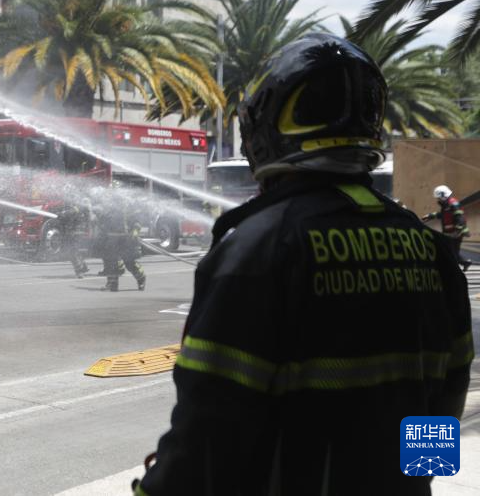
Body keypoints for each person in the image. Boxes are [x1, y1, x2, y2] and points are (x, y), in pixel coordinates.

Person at [137, 34, 472, 495]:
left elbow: (209, 424)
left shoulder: (259, 247)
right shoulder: (430, 249)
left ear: (267, 131)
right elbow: (447, 395)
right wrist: (410, 483)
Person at [423, 185, 471, 269]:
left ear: (443, 195)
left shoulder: (453, 203)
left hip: (455, 233)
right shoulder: (447, 205)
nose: (438, 200)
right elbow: (443, 214)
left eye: (438, 198)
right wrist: (430, 216)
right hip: (451, 232)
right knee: (452, 251)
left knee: (451, 251)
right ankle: (465, 262)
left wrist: (458, 229)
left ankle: (456, 267)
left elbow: (459, 216)